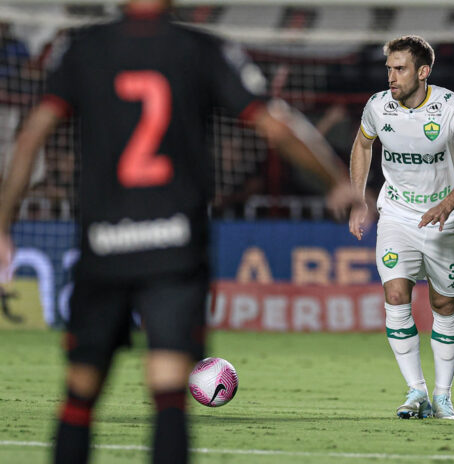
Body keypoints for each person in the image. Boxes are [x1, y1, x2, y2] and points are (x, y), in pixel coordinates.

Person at [0, 1, 355, 463]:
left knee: (80, 392)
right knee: (169, 391)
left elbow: (31, 136)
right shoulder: (202, 49)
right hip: (175, 247)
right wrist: (336, 182)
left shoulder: (83, 49)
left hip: (104, 245)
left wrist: (4, 222)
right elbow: (277, 124)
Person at [349, 35, 454, 420]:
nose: (391, 76)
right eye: (389, 68)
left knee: (444, 305)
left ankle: (443, 396)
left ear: (423, 71)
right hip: (396, 213)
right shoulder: (378, 106)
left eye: (400, 68)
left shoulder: (452, 108)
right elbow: (362, 146)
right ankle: (416, 391)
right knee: (395, 296)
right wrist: (359, 198)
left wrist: (446, 205)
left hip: (445, 216)